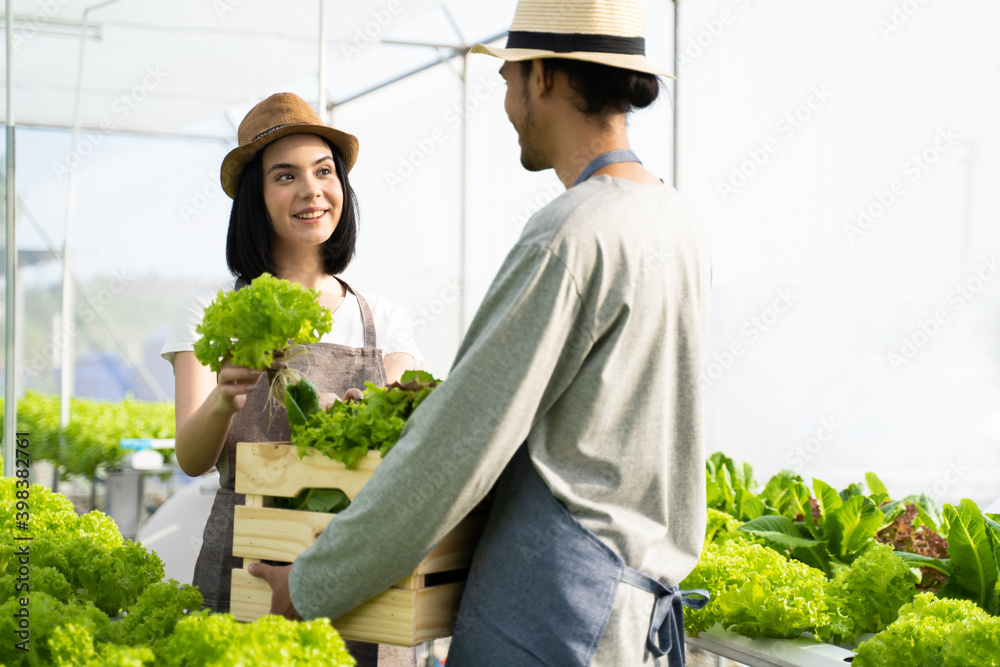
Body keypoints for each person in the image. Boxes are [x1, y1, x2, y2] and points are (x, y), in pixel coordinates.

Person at [250, 1, 712, 664]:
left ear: (543, 78)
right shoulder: (675, 219)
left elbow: (456, 449)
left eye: (507, 78)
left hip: (553, 617)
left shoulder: (571, 233)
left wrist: (308, 584)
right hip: (633, 619)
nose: (505, 100)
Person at [160, 92, 421, 667]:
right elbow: (191, 457)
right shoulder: (210, 309)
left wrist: (363, 415)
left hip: (355, 570)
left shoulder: (383, 318)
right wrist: (226, 397)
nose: (311, 191)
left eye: (324, 172)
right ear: (256, 198)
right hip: (247, 565)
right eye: (286, 176)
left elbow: (398, 451)